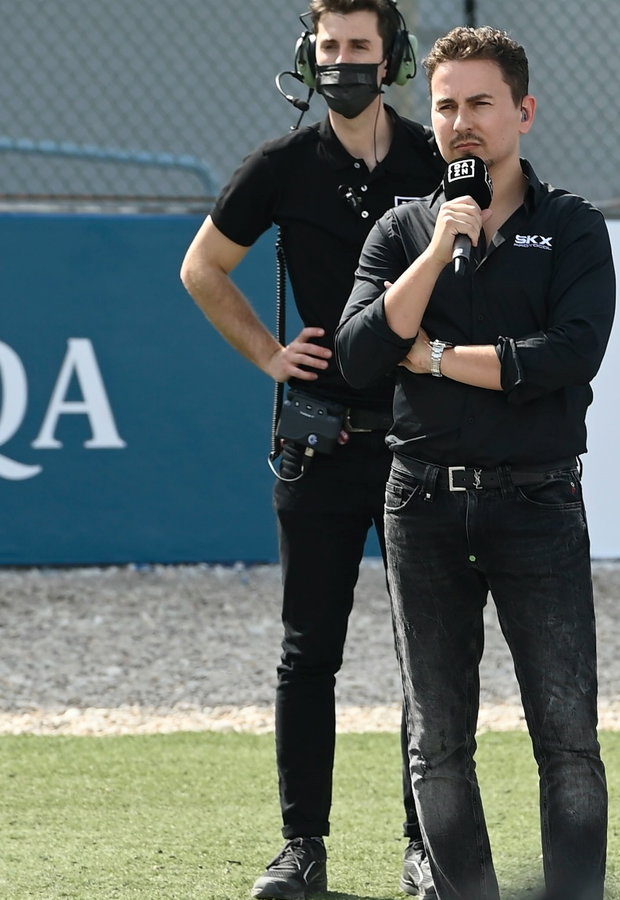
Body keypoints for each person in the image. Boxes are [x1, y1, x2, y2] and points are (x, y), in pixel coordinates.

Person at [335, 24, 614, 900]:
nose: (462, 123)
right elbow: (354, 354)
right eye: (446, 105)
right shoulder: (403, 230)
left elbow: (566, 357)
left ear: (522, 112)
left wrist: (439, 358)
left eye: (481, 104)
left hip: (538, 505)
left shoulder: (571, 227)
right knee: (437, 740)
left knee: (567, 737)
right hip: (420, 506)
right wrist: (433, 255)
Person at [178, 2, 443, 896]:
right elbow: (201, 267)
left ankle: (428, 850)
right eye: (328, 48)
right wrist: (268, 355)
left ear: (392, 56)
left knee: (428, 654)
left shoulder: (436, 159)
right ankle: (303, 852)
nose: (342, 63)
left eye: (359, 47)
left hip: (420, 439)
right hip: (318, 445)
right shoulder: (281, 167)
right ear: (308, 57)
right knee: (308, 654)